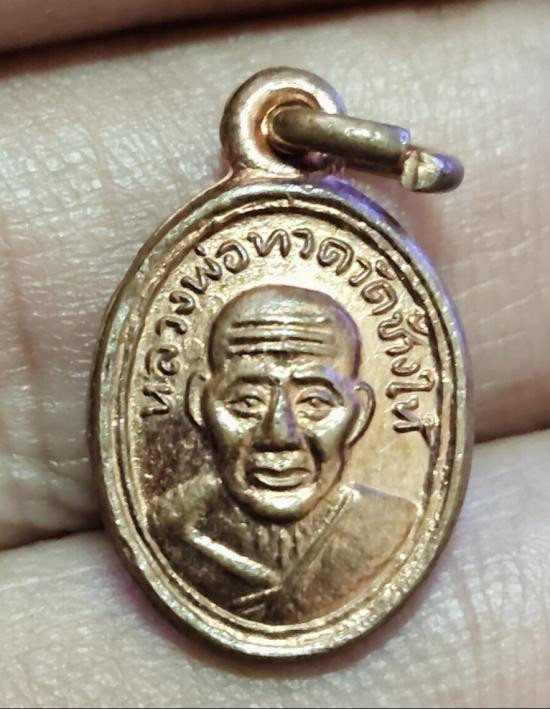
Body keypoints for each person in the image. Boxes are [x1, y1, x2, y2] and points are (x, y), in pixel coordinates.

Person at [150, 285, 417, 622]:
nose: (279, 436)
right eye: (247, 402)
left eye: (315, 402)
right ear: (198, 404)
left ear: (359, 414)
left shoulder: (389, 528)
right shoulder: (173, 529)